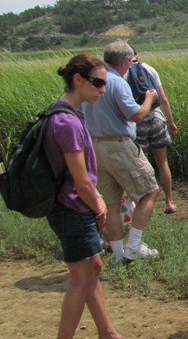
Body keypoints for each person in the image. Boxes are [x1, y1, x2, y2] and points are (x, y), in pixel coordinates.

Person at [44, 53, 122, 339]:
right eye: (98, 83)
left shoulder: (64, 111)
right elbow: (82, 182)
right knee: (81, 278)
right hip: (72, 209)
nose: (103, 89)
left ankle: (107, 331)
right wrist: (99, 205)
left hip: (69, 207)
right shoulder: (67, 122)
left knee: (93, 267)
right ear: (78, 79)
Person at [82, 39, 160, 264]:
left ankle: (118, 255)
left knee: (111, 203)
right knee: (149, 191)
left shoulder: (92, 82)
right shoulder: (116, 82)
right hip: (118, 144)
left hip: (95, 147)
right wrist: (149, 99)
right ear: (125, 62)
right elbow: (135, 115)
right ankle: (134, 245)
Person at [131, 47, 178, 214]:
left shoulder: (120, 73)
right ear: (136, 55)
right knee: (162, 162)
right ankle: (169, 202)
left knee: (140, 165)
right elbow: (163, 98)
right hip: (157, 119)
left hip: (137, 122)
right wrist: (171, 122)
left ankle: (140, 203)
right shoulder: (149, 69)